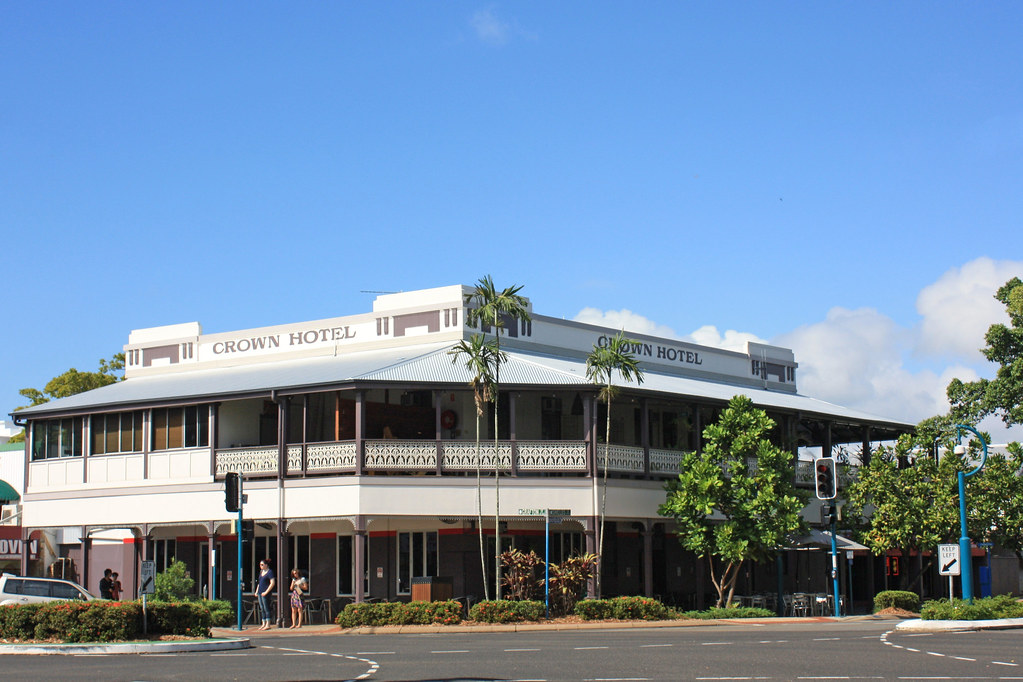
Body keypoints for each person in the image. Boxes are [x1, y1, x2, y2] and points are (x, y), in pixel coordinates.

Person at [256, 558, 276, 630]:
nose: (261, 566)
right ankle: (263, 623)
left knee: (266, 607)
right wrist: (256, 591)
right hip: (260, 592)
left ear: (266, 565)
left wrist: (266, 592)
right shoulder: (261, 572)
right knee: (262, 608)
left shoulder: (270, 572)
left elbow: (272, 583)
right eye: (260, 565)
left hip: (266, 592)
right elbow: (259, 583)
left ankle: (268, 624)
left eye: (262, 564)